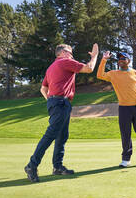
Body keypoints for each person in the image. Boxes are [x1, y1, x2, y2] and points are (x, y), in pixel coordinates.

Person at [24, 43, 99, 182]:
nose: (72, 55)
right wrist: (94, 56)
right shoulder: (65, 62)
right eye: (70, 52)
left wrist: (51, 100)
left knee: (62, 136)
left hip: (57, 102)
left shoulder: (51, 67)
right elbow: (89, 68)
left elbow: (43, 89)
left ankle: (57, 167)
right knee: (51, 134)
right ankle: (31, 165)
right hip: (60, 102)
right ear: (63, 53)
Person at [97, 51, 136, 168]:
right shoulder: (113, 73)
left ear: (128, 61)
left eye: (123, 58)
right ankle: (126, 159)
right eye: (119, 59)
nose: (120, 60)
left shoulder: (135, 73)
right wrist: (104, 60)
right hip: (124, 108)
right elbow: (100, 75)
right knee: (125, 134)